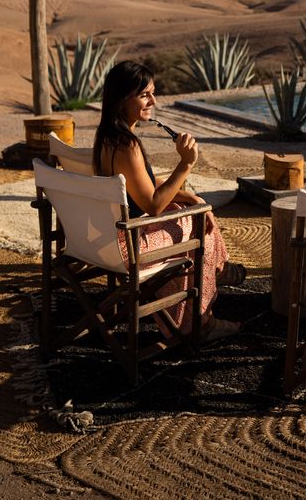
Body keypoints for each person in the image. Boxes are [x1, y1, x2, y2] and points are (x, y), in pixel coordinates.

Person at [93, 60, 245, 343]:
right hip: (129, 248)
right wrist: (186, 164)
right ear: (122, 100)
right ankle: (200, 322)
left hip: (109, 238)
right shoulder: (127, 146)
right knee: (200, 226)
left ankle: (217, 270)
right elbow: (152, 205)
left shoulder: (108, 136)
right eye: (144, 95)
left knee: (190, 207)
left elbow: (144, 185)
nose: (153, 100)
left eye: (153, 92)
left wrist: (190, 197)